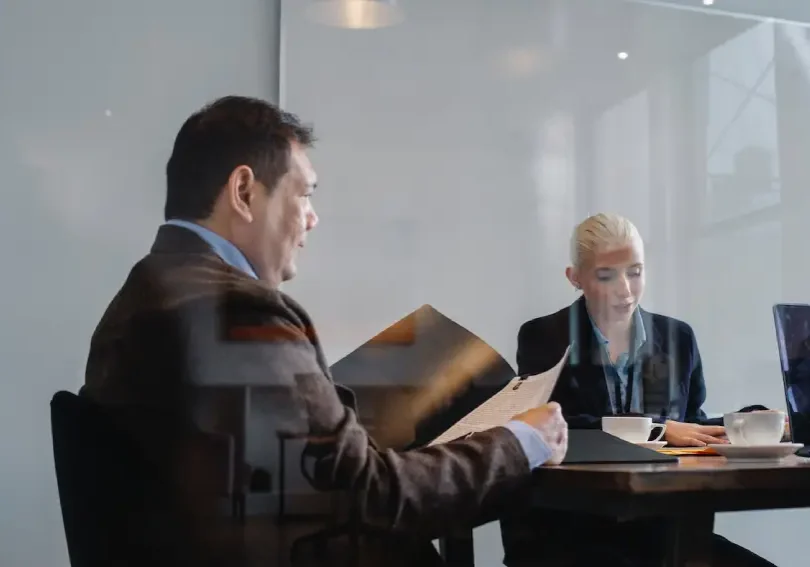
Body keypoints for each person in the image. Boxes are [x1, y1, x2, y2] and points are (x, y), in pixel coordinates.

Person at [80, 95, 568, 567]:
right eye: (305, 194)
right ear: (244, 192)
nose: (313, 219)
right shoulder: (238, 311)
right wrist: (520, 440)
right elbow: (369, 495)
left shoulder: (150, 291)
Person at [500, 212, 775, 566]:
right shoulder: (544, 336)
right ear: (576, 278)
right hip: (571, 531)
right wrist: (659, 428)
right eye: (606, 275)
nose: (625, 289)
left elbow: (690, 425)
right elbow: (555, 427)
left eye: (635, 271)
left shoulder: (678, 338)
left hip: (659, 525)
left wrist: (743, 424)